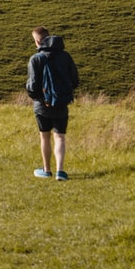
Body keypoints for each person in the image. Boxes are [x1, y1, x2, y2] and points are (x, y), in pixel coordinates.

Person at [26, 26, 79, 180]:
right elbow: (74, 80)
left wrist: (37, 98)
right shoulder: (65, 56)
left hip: (42, 104)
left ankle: (46, 170)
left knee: (45, 136)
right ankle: (60, 171)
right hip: (62, 102)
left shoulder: (36, 58)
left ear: (37, 41)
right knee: (60, 137)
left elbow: (32, 85)